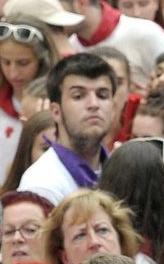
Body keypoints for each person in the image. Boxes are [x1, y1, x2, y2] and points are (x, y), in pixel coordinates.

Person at [17, 52, 117, 206]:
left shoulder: (119, 171)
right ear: (56, 111)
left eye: (102, 95)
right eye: (78, 96)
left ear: (113, 110)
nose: (94, 104)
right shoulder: (41, 184)